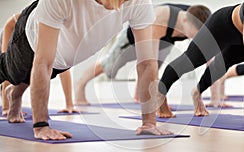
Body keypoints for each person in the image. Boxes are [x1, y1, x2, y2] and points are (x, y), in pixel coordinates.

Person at [0, 0, 169, 140]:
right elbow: (43, 62)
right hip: (30, 38)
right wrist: (41, 125)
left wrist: (149, 122)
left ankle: (15, 94)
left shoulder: (139, 2)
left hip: (65, 55)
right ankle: (14, 93)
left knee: (42, 74)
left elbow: (147, 63)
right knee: (14, 72)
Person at [156, 0, 244, 129]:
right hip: (222, 27)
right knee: (191, 60)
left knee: (222, 66)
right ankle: (160, 97)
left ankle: (197, 92)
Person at [74, 4, 211, 105]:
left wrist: (216, 100)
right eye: (196, 34)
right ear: (185, 21)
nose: (197, 38)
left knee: (156, 66)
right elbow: (148, 60)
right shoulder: (163, 17)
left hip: (166, 40)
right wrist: (159, 101)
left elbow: (211, 60)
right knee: (109, 65)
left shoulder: (200, 19)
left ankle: (138, 96)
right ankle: (80, 85)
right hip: (134, 37)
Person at [0, 13, 77, 116]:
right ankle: (7, 102)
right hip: (10, 33)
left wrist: (69, 105)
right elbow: (9, 25)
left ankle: (13, 96)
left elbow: (63, 69)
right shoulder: (40, 12)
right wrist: (6, 108)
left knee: (38, 67)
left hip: (31, 38)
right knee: (10, 68)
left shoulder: (63, 32)